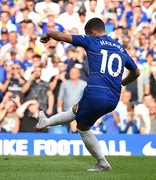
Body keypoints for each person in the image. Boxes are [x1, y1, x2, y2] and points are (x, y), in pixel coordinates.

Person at [35, 18, 140, 171]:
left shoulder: (92, 41)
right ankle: (45, 122)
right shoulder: (120, 47)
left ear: (91, 32)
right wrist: (122, 83)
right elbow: (136, 72)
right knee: (77, 109)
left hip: (95, 93)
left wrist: (48, 33)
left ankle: (102, 163)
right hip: (113, 98)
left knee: (82, 127)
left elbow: (62, 36)